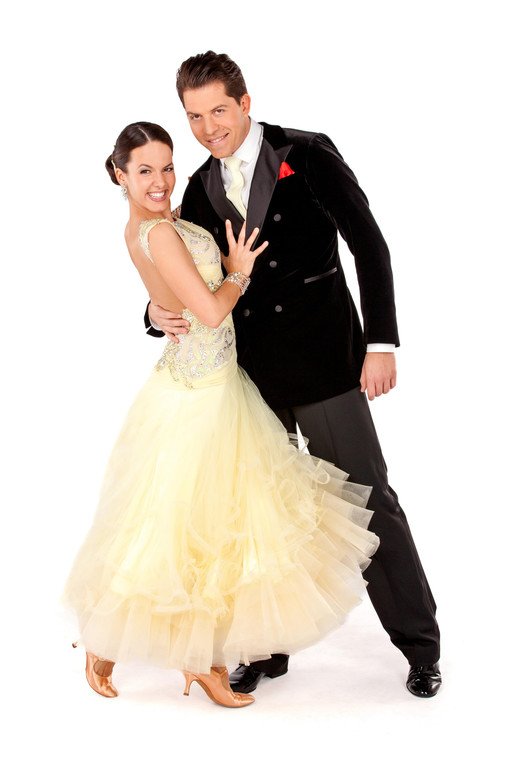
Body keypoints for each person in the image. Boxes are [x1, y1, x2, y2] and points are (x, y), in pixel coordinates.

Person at [146, 51, 442, 698]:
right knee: (261, 515)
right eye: (193, 116)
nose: (207, 128)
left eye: (218, 111)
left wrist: (381, 342)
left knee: (367, 499)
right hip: (252, 377)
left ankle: (421, 646)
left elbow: (369, 243)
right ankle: (266, 648)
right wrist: (151, 312)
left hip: (326, 360)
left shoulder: (305, 152)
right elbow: (187, 273)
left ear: (245, 103)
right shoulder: (198, 185)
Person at [64, 121, 380, 708]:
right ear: (119, 175)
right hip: (202, 393)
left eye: (166, 166)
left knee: (196, 525)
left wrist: (157, 309)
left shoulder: (161, 218)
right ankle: (185, 657)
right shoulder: (158, 230)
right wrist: (237, 271)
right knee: (196, 526)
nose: (160, 181)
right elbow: (209, 312)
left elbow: (171, 289)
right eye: (144, 170)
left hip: (211, 379)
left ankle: (164, 650)